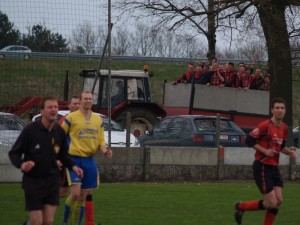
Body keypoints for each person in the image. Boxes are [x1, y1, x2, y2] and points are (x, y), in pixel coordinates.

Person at [8, 96, 83, 225]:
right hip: (33, 182)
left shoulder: (59, 132)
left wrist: (73, 167)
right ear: (42, 111)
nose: (53, 110)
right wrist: (22, 164)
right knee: (37, 222)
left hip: (52, 182)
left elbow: (63, 156)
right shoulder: (30, 130)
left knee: (48, 221)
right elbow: (14, 153)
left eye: (55, 107)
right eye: (49, 107)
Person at [234, 97, 297, 225]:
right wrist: (265, 151)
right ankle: (241, 207)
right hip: (262, 167)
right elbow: (248, 140)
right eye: (277, 108)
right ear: (272, 110)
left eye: (282, 108)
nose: (280, 110)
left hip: (274, 167)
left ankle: (241, 208)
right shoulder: (265, 125)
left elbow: (281, 147)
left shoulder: (284, 128)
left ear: (285, 111)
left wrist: (289, 152)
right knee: (271, 203)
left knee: (278, 201)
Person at [60, 91, 113, 225]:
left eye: (90, 99)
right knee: (75, 193)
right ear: (81, 101)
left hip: (89, 160)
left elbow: (101, 140)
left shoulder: (97, 119)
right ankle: (65, 222)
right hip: (74, 159)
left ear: (92, 101)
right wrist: (58, 156)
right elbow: (59, 136)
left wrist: (105, 151)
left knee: (83, 197)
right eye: (85, 99)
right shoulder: (71, 118)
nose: (88, 101)